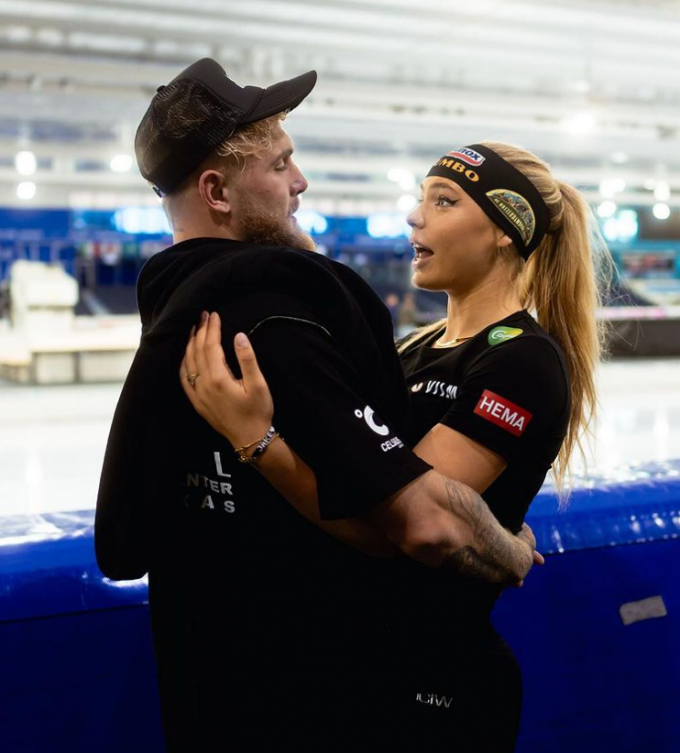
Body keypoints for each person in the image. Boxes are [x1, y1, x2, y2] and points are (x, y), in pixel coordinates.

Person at [94, 59, 539, 751]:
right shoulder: (276, 327)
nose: (299, 183)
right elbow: (421, 521)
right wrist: (509, 550)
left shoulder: (176, 322)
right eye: (280, 165)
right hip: (314, 706)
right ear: (217, 190)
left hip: (208, 694)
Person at [180, 142, 610, 750]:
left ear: (504, 233)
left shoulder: (521, 362)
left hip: (433, 686)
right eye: (420, 198)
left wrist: (256, 439)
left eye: (444, 201)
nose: (415, 216)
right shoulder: (410, 347)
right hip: (359, 672)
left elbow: (400, 523)